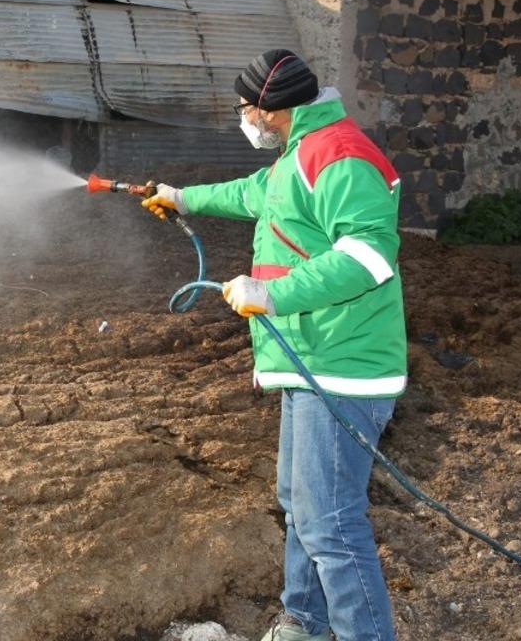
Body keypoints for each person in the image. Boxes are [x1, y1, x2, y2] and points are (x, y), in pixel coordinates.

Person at [141, 49, 406, 641]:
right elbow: (251, 194)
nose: (242, 118)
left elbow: (367, 257)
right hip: (306, 359)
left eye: (243, 107)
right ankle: (303, 623)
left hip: (343, 366)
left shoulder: (338, 155)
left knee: (331, 523)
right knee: (298, 504)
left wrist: (271, 294)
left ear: (267, 106)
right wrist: (182, 197)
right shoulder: (299, 154)